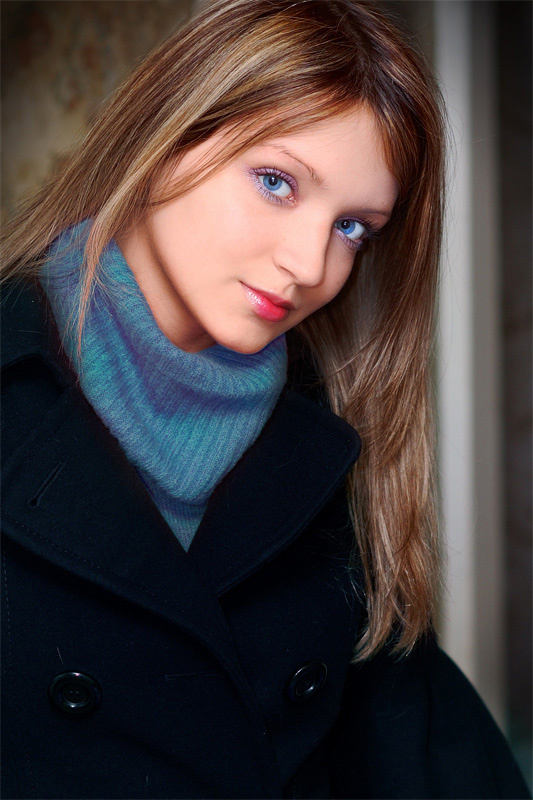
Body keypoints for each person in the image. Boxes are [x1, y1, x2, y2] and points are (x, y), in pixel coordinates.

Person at [1, 1, 530, 798]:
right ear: (167, 137)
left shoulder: (333, 447)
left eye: (353, 227)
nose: (309, 264)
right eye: (276, 183)